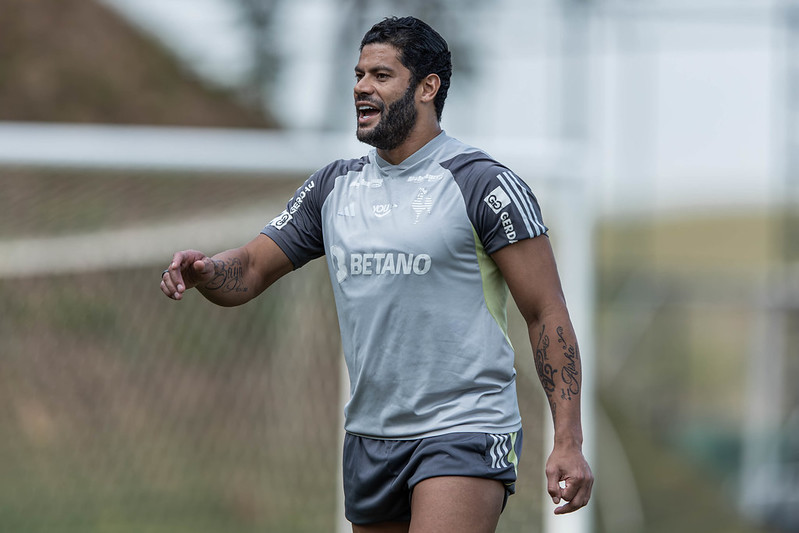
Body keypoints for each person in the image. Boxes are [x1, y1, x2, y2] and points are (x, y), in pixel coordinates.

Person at [161, 16, 592, 533]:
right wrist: (208, 271)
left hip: (463, 430)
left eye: (381, 76)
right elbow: (250, 269)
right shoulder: (333, 188)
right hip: (370, 437)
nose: (362, 87)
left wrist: (567, 439)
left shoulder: (483, 184)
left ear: (427, 87)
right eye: (359, 74)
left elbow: (546, 312)